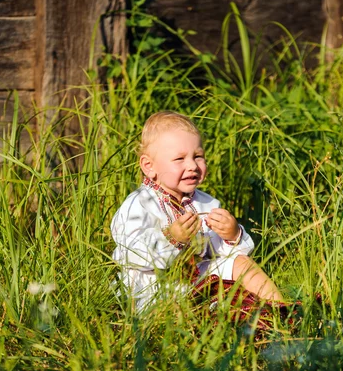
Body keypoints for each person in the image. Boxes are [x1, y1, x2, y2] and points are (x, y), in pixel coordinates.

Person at [111, 111, 283, 312]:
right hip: (152, 288)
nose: (192, 165)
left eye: (198, 156)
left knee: (240, 263)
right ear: (149, 167)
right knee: (179, 305)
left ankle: (281, 310)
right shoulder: (138, 204)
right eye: (179, 159)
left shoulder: (206, 203)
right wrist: (171, 238)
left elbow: (219, 253)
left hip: (195, 280)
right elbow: (130, 253)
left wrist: (232, 235)